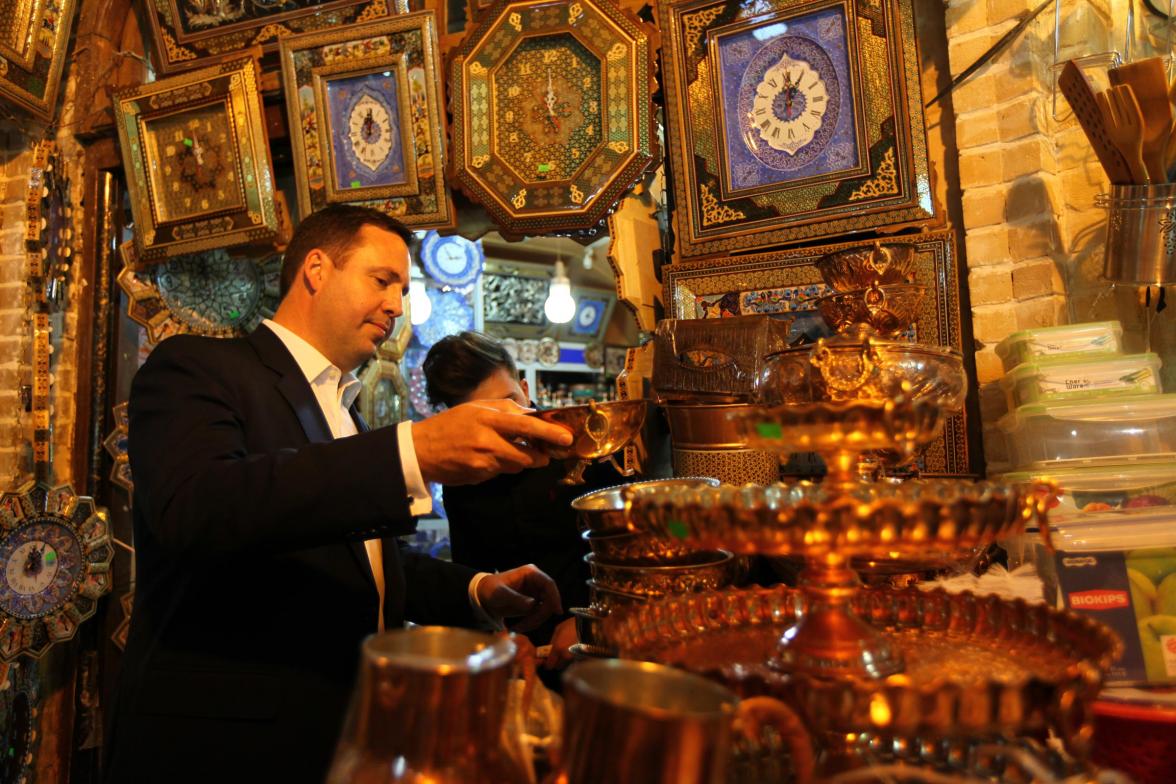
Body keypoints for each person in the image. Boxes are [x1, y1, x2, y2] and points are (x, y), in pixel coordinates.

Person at [104, 206, 574, 783]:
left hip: (334, 739)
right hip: (224, 747)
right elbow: (199, 508)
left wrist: (478, 589)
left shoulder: (343, 410)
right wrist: (413, 453)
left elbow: (358, 562)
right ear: (317, 270)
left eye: (403, 288)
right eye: (382, 281)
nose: (398, 305)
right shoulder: (197, 369)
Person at [423, 332, 617, 671]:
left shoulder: (588, 445)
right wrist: (495, 634)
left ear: (525, 389)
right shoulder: (461, 479)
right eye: (487, 417)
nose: (510, 425)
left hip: (611, 641)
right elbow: (474, 575)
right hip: (528, 656)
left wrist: (596, 617)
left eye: (511, 402)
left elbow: (646, 544)